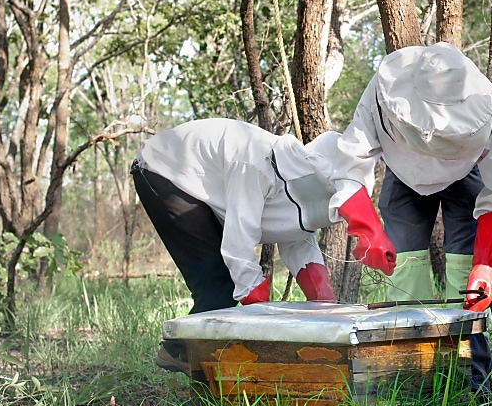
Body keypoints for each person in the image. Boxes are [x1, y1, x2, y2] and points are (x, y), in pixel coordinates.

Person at [132, 118, 396, 372]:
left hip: (203, 184)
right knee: (219, 283)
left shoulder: (296, 189)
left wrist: (323, 303)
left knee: (223, 284)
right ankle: (186, 357)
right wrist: (260, 312)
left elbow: (297, 238)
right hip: (164, 169)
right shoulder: (257, 164)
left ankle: (203, 363)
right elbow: (238, 242)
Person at [336, 42, 492, 391]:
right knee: (406, 273)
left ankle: (472, 387)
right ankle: (410, 382)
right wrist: (368, 229)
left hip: (465, 174)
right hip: (401, 174)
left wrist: (487, 262)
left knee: (467, 283)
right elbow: (349, 162)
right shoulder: (381, 91)